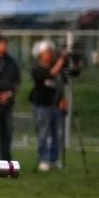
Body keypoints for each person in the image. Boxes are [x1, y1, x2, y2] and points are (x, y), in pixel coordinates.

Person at [29, 40, 68, 171]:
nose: (49, 54)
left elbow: (60, 84)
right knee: (43, 133)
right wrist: (61, 61)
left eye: (50, 52)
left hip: (56, 104)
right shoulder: (37, 69)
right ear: (40, 54)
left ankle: (54, 158)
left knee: (56, 133)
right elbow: (50, 74)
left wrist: (62, 99)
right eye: (46, 52)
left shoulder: (57, 67)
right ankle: (43, 159)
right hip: (42, 105)